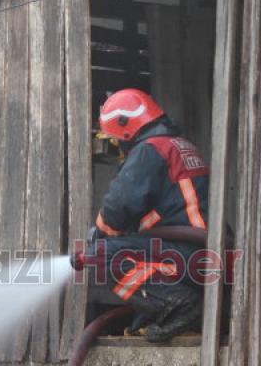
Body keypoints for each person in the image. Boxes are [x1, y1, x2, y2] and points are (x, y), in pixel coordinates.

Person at [72, 89, 209, 342]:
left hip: (184, 253)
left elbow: (119, 206)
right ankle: (165, 311)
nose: (119, 147)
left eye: (116, 140)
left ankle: (181, 306)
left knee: (104, 256)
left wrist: (98, 237)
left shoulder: (150, 150)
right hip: (197, 254)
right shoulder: (178, 145)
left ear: (126, 127)